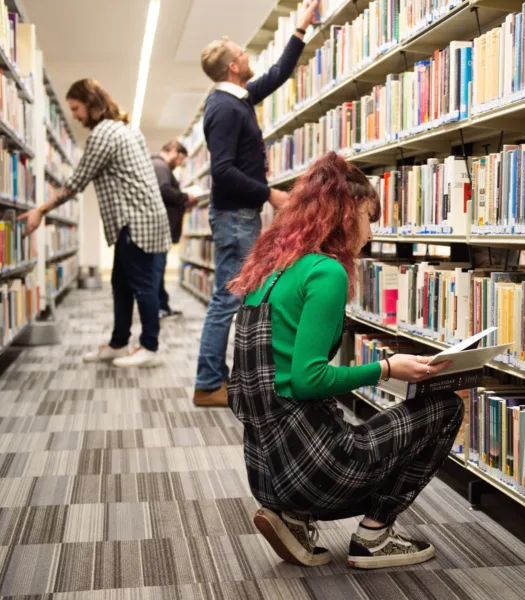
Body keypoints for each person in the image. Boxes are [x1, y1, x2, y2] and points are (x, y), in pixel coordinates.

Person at [228, 152, 464, 570]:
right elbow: (308, 379)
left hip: (266, 473)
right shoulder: (326, 273)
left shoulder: (269, 270)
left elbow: (252, 386)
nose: (371, 232)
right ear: (344, 214)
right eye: (368, 217)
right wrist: (387, 368)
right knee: (446, 408)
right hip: (319, 474)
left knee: (350, 424)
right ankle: (375, 536)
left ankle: (293, 518)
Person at [193, 0, 318, 407]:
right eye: (243, 54)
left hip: (239, 216)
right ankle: (209, 384)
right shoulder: (225, 108)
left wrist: (299, 29)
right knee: (227, 298)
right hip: (234, 217)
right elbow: (223, 171)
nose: (248, 58)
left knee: (234, 295)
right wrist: (271, 194)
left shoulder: (238, 99)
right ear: (232, 65)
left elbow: (278, 74)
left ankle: (216, 378)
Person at [19, 79, 171, 368]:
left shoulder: (103, 133)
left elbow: (77, 181)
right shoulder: (127, 129)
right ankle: (118, 343)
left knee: (141, 286)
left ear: (91, 103)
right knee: (121, 284)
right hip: (142, 217)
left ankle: (149, 347)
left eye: (76, 109)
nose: (74, 116)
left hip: (135, 219)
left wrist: (41, 209)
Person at [151, 139, 197, 320]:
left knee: (159, 269)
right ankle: (156, 308)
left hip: (163, 229)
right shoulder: (160, 166)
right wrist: (185, 196)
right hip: (160, 230)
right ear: (172, 151)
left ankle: (162, 305)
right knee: (156, 269)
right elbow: (164, 190)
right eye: (180, 159)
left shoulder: (160, 167)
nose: (179, 165)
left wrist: (183, 204)